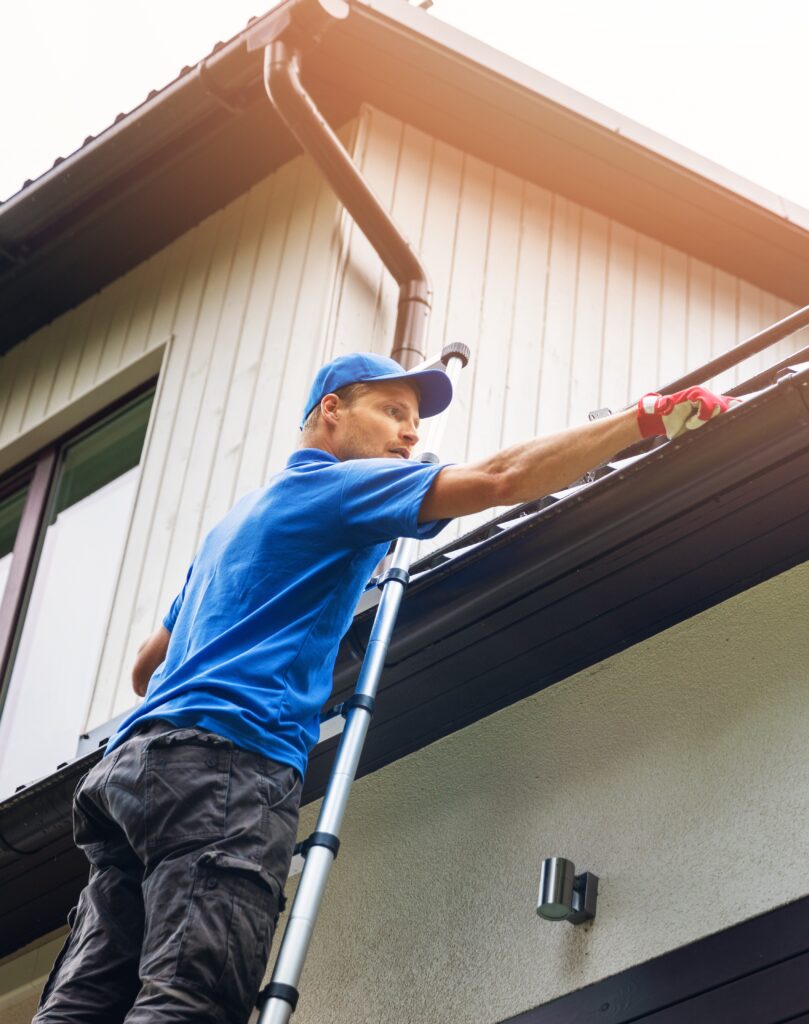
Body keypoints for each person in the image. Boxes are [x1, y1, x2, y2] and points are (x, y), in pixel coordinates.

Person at [33, 352, 738, 1023]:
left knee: (84, 1002)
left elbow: (145, 667)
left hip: (129, 774)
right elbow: (499, 478)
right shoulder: (336, 488)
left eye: (417, 422)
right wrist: (645, 416)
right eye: (393, 410)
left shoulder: (232, 527)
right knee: (191, 993)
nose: (409, 432)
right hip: (223, 769)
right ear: (330, 412)